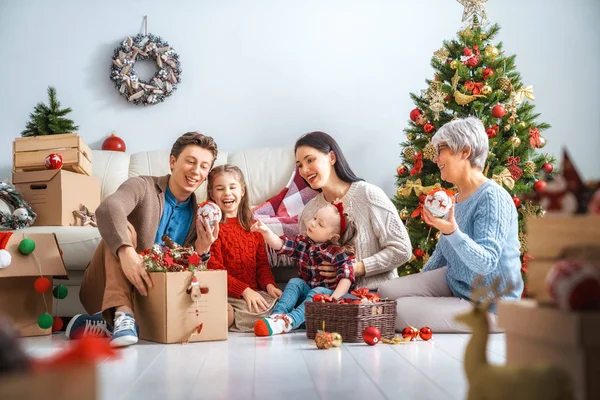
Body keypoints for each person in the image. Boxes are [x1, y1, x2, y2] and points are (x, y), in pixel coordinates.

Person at [66, 132, 219, 347]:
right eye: (191, 162)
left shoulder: (199, 215)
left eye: (204, 166)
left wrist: (202, 250)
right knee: (122, 227)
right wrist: (126, 251)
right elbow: (109, 208)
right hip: (104, 286)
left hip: (150, 295)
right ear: (173, 162)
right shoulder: (142, 185)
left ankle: (105, 323)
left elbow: (189, 278)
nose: (196, 171)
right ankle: (122, 314)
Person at [378, 117, 524, 332]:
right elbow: (442, 255)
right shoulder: (456, 199)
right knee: (386, 291)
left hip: (492, 306)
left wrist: (453, 232)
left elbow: (486, 263)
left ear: (465, 151)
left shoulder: (494, 198)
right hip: (459, 284)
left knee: (398, 311)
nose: (436, 158)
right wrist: (421, 286)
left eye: (441, 150)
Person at [294, 131, 412, 290]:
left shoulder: (369, 195)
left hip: (377, 297)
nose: (304, 170)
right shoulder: (308, 213)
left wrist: (355, 268)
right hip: (329, 302)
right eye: (300, 165)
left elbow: (402, 250)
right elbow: (304, 258)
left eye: (310, 160)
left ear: (332, 158)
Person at [251, 200, 357, 336]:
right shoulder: (304, 243)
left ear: (333, 236)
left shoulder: (338, 252)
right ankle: (276, 317)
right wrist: (266, 232)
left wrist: (334, 299)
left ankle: (290, 321)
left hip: (330, 300)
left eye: (320, 224)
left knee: (318, 291)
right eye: (314, 218)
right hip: (310, 300)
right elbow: (281, 245)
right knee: (296, 282)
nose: (312, 223)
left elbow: (347, 278)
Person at [205, 165, 283, 332]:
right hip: (228, 295)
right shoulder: (213, 228)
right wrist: (244, 290)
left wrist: (269, 285)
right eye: (220, 188)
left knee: (281, 302)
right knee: (223, 312)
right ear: (212, 194)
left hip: (254, 294)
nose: (227, 193)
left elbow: (262, 266)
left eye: (232, 187)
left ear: (242, 191)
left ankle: (267, 320)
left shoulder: (253, 227)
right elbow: (215, 270)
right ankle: (241, 322)